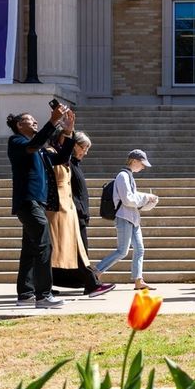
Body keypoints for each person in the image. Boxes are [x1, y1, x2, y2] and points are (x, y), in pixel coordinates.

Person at [44, 118, 115, 298]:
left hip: (75, 213)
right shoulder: (61, 159)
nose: (85, 152)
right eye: (84, 147)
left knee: (78, 252)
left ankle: (54, 283)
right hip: (67, 212)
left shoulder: (72, 164)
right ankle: (91, 284)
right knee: (78, 251)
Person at [8, 103, 69, 308]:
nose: (34, 121)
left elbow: (61, 158)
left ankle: (25, 294)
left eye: (36, 120)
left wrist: (67, 131)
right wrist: (52, 121)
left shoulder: (39, 150)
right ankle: (43, 295)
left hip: (37, 203)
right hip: (28, 201)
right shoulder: (17, 141)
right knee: (44, 245)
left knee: (30, 248)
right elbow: (33, 144)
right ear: (19, 125)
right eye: (29, 119)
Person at [96, 149, 158, 290]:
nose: (143, 167)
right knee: (122, 251)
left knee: (139, 249)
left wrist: (147, 198)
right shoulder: (122, 176)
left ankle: (138, 280)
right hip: (124, 218)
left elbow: (132, 196)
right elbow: (128, 199)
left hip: (132, 219)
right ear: (134, 161)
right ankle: (96, 272)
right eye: (142, 164)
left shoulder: (128, 176)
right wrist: (146, 197)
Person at [70, 131, 93, 252]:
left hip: (81, 216)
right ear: (75, 145)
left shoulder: (75, 165)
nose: (85, 152)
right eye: (84, 148)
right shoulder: (69, 164)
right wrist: (79, 209)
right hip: (75, 216)